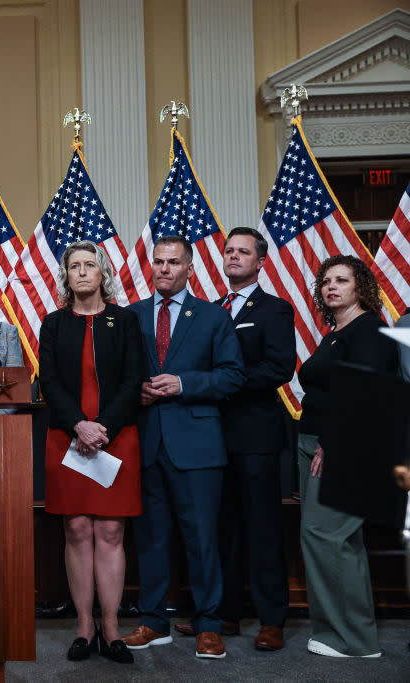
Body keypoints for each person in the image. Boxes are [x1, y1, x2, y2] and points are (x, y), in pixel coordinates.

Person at [123, 235, 245, 659]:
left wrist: (184, 383)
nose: (165, 269)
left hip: (198, 447)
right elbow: (121, 374)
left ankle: (209, 625)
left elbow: (233, 376)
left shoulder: (212, 316)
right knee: (151, 540)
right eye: (158, 262)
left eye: (174, 262)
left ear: (189, 269)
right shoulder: (132, 315)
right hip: (146, 444)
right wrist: (132, 392)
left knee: (202, 540)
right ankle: (152, 621)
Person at [175, 227, 296, 651]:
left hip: (256, 435)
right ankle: (223, 614)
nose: (234, 257)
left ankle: (271, 619)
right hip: (211, 436)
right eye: (229, 250)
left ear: (260, 262)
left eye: (243, 252)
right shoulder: (210, 310)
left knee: (263, 529)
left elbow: (279, 368)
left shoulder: (274, 310)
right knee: (219, 528)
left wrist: (227, 381)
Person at [38, 241, 143, 664]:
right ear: (66, 275)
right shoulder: (54, 323)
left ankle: (112, 628)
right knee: (77, 530)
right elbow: (50, 382)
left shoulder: (126, 320)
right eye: (74, 266)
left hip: (116, 438)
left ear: (103, 273)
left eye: (89, 265)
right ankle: (84, 626)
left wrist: (103, 429)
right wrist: (78, 425)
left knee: (112, 532)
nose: (82, 272)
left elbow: (134, 379)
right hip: (68, 439)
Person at [296, 255, 399, 659]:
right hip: (315, 442)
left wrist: (335, 442)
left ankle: (353, 641)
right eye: (326, 281)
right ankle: (345, 634)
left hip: (339, 446)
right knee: (338, 540)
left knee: (327, 536)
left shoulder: (369, 328)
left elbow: (368, 393)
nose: (332, 286)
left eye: (342, 280)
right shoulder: (336, 331)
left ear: (361, 288)